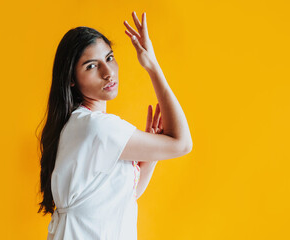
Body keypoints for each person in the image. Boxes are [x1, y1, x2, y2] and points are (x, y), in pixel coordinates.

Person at [37, 11, 193, 240]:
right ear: (71, 79)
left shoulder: (80, 125)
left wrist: (149, 152)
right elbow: (182, 144)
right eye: (91, 66)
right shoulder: (96, 127)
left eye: (109, 58)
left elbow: (125, 197)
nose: (108, 73)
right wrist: (152, 67)